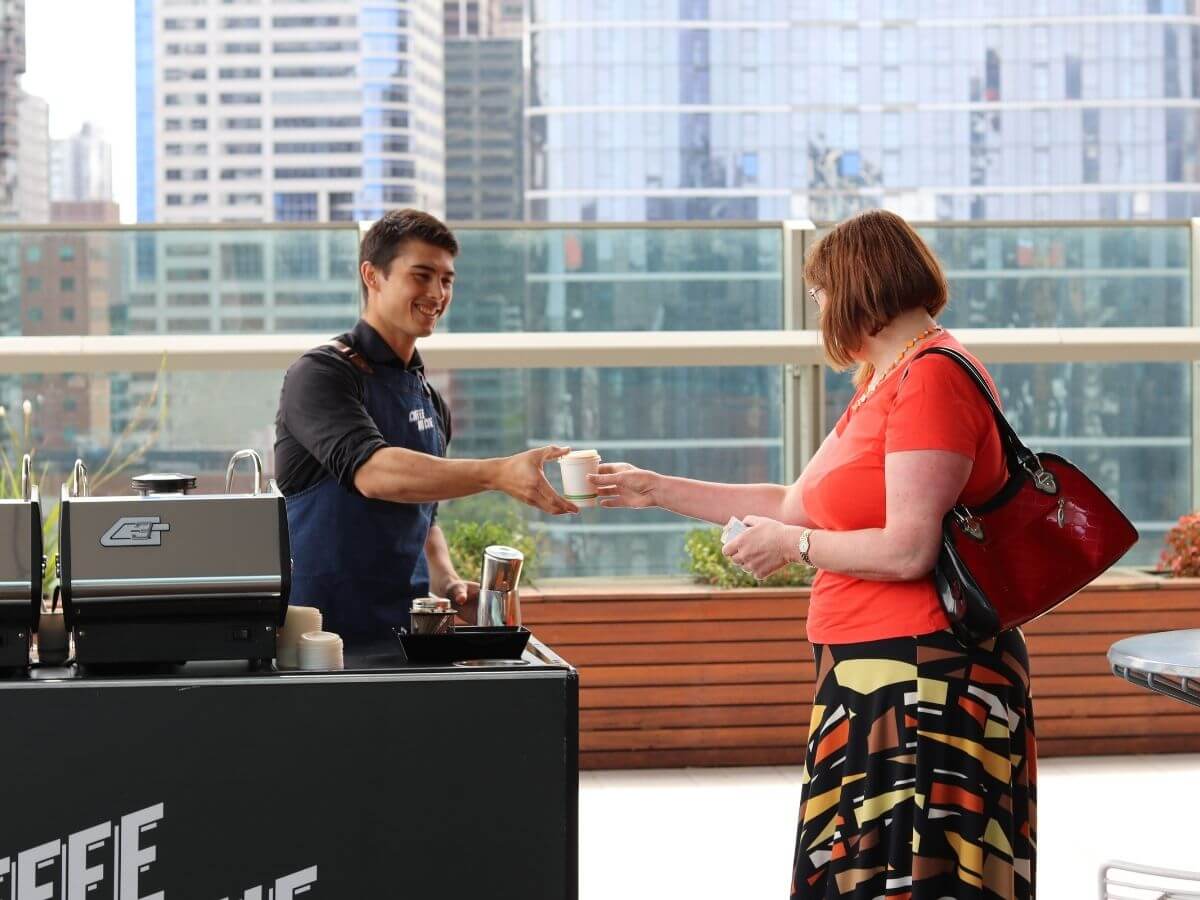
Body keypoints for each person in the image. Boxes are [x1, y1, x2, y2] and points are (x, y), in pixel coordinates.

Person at [591, 210, 1035, 900]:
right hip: (876, 675)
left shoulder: (930, 380)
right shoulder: (882, 379)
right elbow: (796, 503)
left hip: (923, 680)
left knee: (905, 881)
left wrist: (792, 548)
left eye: (822, 291)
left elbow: (907, 549)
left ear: (859, 286)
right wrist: (651, 489)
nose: (820, 307)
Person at [274, 209, 577, 644]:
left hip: (402, 634)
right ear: (372, 276)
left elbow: (424, 515)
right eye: (421, 275)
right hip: (316, 639)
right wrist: (497, 473)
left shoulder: (430, 400)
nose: (437, 293)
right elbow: (375, 474)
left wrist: (450, 582)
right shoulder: (320, 374)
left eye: (447, 279)